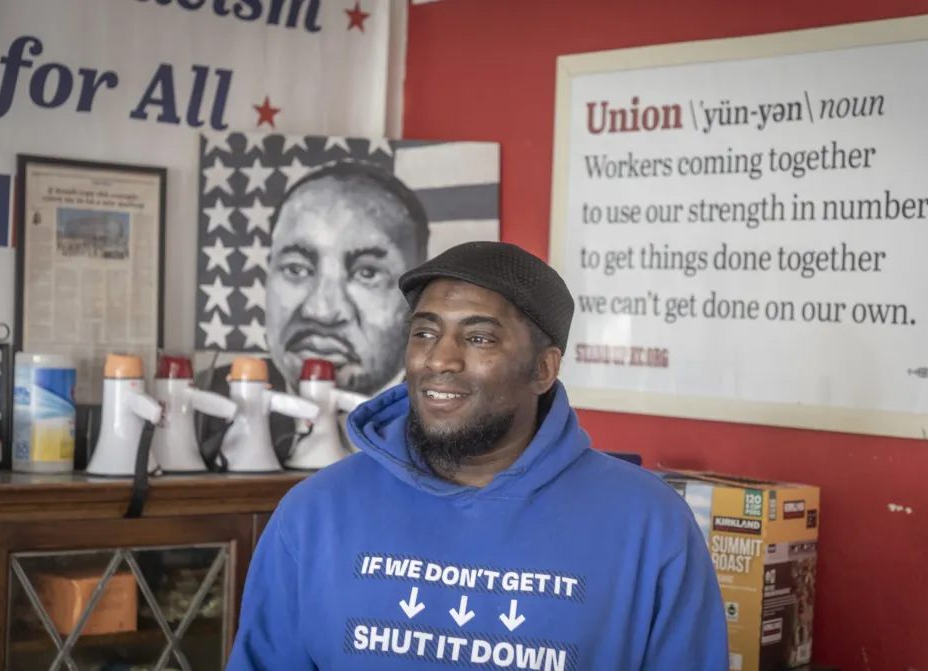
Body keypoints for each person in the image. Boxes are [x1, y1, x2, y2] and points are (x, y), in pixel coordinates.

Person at [225, 241, 729, 669]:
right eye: (424, 332)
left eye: (479, 337)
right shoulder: (315, 514)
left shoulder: (649, 524)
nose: (439, 359)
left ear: (543, 370)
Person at [200, 161, 429, 463]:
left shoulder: (444, 416)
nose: (321, 311)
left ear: (418, 297)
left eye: (367, 273)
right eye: (296, 268)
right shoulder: (208, 403)